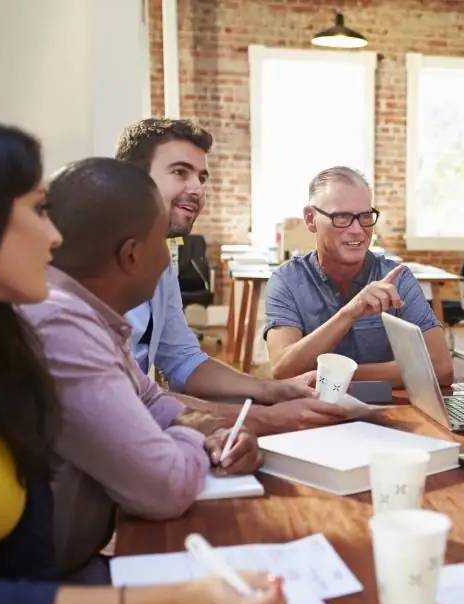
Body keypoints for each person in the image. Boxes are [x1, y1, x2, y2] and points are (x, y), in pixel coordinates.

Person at [0, 110, 284, 604]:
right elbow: (158, 476)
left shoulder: (2, 337)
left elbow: (154, 401)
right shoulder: (53, 320)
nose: (56, 235)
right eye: (38, 210)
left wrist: (211, 429)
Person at [21, 157, 263, 583]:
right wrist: (187, 435)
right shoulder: (60, 325)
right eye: (162, 245)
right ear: (132, 255)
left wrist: (213, 434)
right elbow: (164, 486)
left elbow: (150, 398)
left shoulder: (91, 313)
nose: (169, 259)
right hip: (41, 588)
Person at [116, 118, 347, 435]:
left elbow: (182, 359)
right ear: (133, 181)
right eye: (180, 173)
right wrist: (270, 419)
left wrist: (271, 390)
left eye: (202, 177)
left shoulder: (161, 259)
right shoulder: (94, 268)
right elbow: (127, 399)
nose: (197, 189)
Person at [264, 166, 454, 386]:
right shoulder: (286, 280)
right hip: (310, 411)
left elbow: (441, 368)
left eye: (365, 216)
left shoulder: (397, 278)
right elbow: (282, 371)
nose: (357, 230)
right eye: (341, 217)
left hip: (385, 411)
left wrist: (337, 376)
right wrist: (350, 312)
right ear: (310, 218)